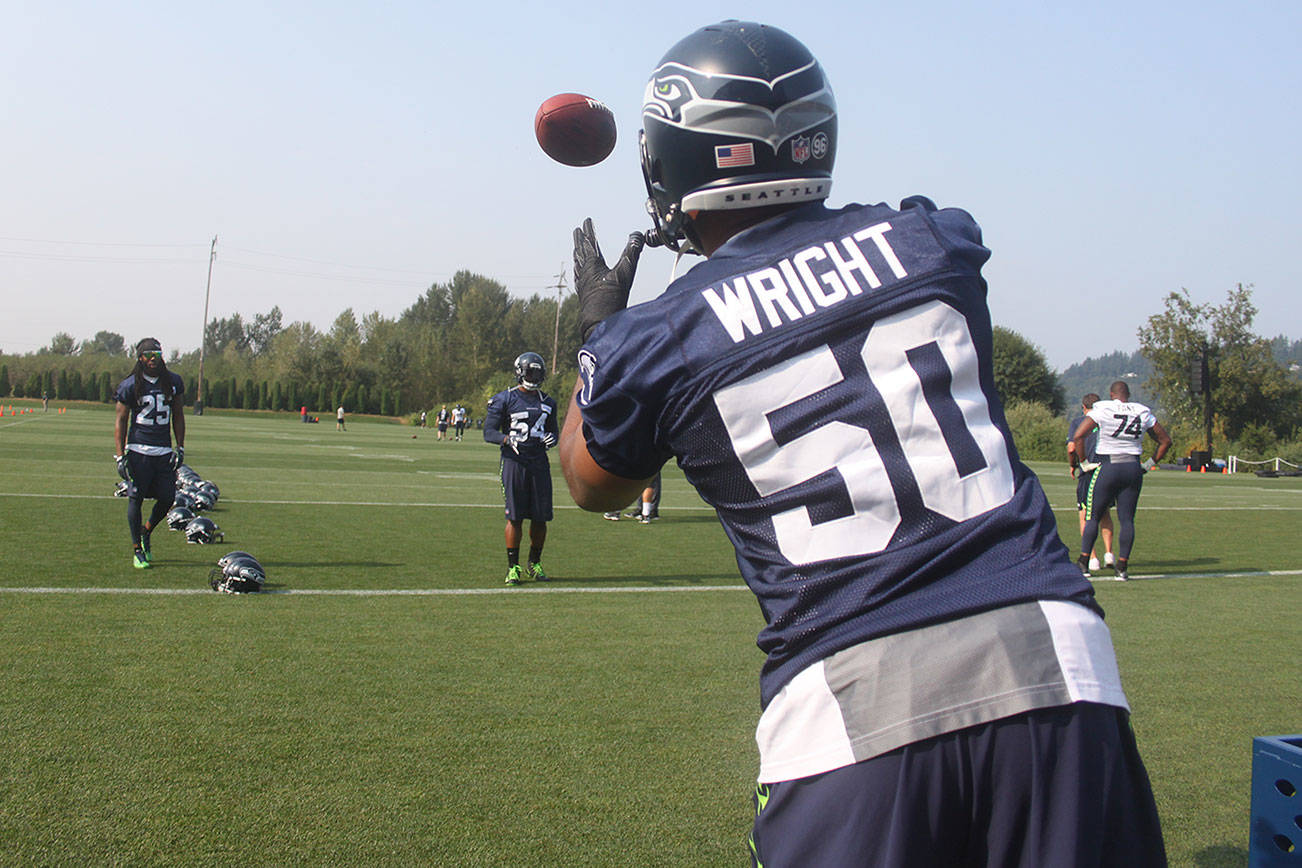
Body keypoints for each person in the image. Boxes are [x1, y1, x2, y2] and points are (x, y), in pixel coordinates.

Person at [559, 21, 1165, 867]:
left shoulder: (662, 336)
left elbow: (593, 481)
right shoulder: (935, 242)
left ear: (671, 161)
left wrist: (596, 336)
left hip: (852, 701)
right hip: (1056, 663)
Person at [1071, 380, 1172, 581]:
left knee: (1092, 516)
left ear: (1111, 394)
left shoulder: (1103, 409)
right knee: (1127, 519)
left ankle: (1084, 562)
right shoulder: (1140, 411)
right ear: (1128, 394)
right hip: (1133, 467)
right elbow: (1165, 440)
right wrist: (1149, 463)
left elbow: (1079, 436)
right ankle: (1122, 567)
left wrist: (1083, 462)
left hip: (1108, 466)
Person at [485, 352, 558, 585]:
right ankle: (512, 567)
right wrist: (506, 440)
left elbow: (554, 431)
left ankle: (534, 564)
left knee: (540, 518)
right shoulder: (505, 399)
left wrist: (552, 438)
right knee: (514, 517)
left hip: (539, 463)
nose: (534, 376)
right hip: (514, 462)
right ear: (519, 372)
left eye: (537, 372)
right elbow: (489, 432)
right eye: (530, 372)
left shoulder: (548, 402)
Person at [114, 338, 185, 569]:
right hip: (138, 450)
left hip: (163, 451)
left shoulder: (173, 382)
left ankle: (146, 531)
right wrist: (119, 455)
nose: (153, 359)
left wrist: (180, 447)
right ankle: (137, 549)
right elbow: (121, 420)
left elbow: (178, 415)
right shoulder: (130, 385)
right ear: (140, 358)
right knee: (136, 498)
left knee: (167, 497)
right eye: (148, 355)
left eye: (157, 354)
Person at [1067, 393, 1115, 572]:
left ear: (1083, 407)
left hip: (1088, 471)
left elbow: (1072, 447)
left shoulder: (1079, 422)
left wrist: (1073, 465)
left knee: (1086, 515)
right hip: (1107, 471)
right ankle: (1109, 555)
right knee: (1105, 514)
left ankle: (1092, 558)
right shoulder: (1108, 421)